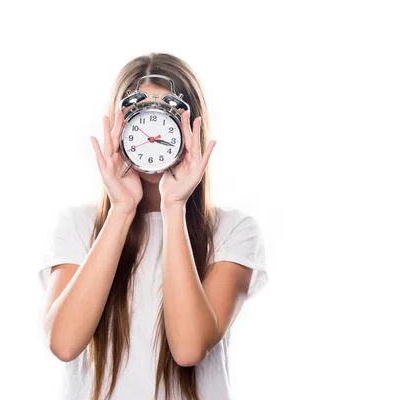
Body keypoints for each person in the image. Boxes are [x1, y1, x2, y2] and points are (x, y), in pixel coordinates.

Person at [37, 52, 268, 400]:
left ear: (193, 128)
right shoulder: (79, 225)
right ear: (119, 127)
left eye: (170, 114)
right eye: (139, 116)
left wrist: (173, 206)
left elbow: (188, 348)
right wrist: (121, 209)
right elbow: (64, 343)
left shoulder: (232, 230)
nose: (154, 124)